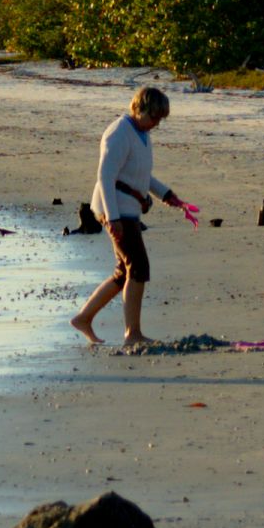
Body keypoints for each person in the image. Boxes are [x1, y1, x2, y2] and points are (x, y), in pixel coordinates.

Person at [75, 85, 199, 353]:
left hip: (127, 209)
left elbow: (141, 175)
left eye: (160, 120)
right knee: (138, 267)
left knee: (124, 272)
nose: (156, 124)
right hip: (115, 209)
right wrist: (112, 218)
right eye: (154, 117)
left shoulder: (141, 134)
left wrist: (168, 195)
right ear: (139, 109)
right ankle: (132, 333)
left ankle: (83, 318)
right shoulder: (119, 133)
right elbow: (105, 177)